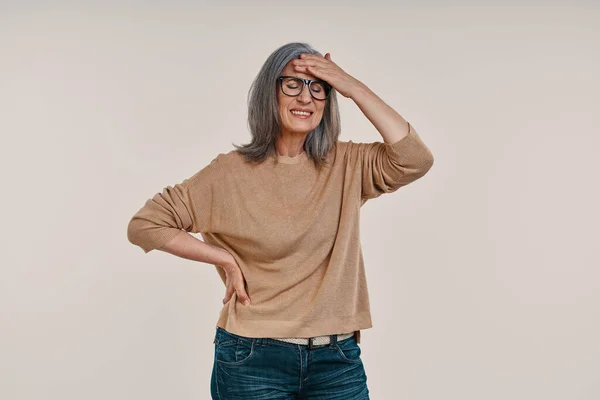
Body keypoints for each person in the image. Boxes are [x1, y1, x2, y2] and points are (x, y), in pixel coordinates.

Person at [127, 42, 434, 399]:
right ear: (268, 92)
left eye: (318, 87)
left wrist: (352, 87)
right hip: (252, 358)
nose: (306, 97)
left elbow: (416, 159)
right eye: (292, 84)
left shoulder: (347, 164)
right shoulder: (228, 173)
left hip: (337, 359)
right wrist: (223, 259)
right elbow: (145, 225)